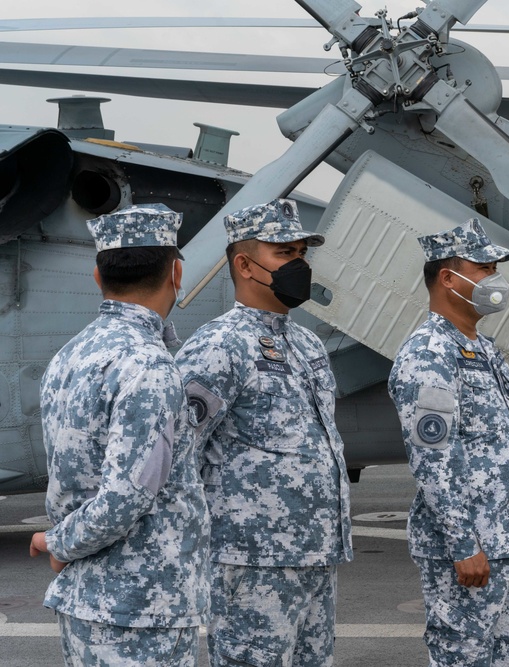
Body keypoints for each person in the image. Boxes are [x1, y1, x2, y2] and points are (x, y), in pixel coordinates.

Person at [174, 198, 353, 666]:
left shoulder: (306, 342)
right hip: (250, 561)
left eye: (301, 253)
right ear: (246, 265)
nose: (300, 264)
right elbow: (177, 453)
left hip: (314, 553)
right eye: (285, 253)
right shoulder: (220, 345)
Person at [29, 204, 209, 666]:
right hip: (142, 607)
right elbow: (125, 498)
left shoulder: (70, 355)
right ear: (177, 273)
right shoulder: (147, 363)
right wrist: (57, 543)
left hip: (91, 602)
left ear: (97, 276)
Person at [388, 218, 509, 667]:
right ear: (449, 279)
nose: (495, 279)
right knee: (463, 657)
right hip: (470, 550)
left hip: (507, 543)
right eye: (484, 267)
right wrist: (463, 544)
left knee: (501, 657)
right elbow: (434, 457)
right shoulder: (429, 353)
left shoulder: (482, 348)